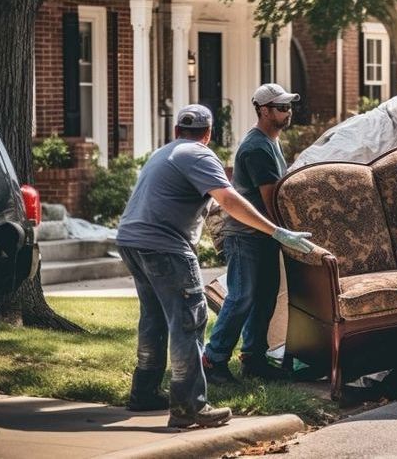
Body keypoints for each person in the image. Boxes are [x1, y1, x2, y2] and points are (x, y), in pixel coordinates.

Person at [116, 104, 313, 429]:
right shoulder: (199, 154)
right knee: (189, 322)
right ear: (208, 134)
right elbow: (229, 200)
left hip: (131, 240)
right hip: (165, 246)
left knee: (153, 318)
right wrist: (277, 231)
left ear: (177, 130)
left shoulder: (163, 153)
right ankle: (189, 407)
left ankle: (144, 391)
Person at [203, 84, 300, 384]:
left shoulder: (271, 141)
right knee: (242, 297)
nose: (287, 112)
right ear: (263, 110)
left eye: (288, 106)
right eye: (281, 107)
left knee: (265, 297)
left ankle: (253, 358)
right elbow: (270, 199)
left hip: (264, 236)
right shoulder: (257, 147)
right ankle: (213, 359)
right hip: (245, 235)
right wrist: (286, 233)